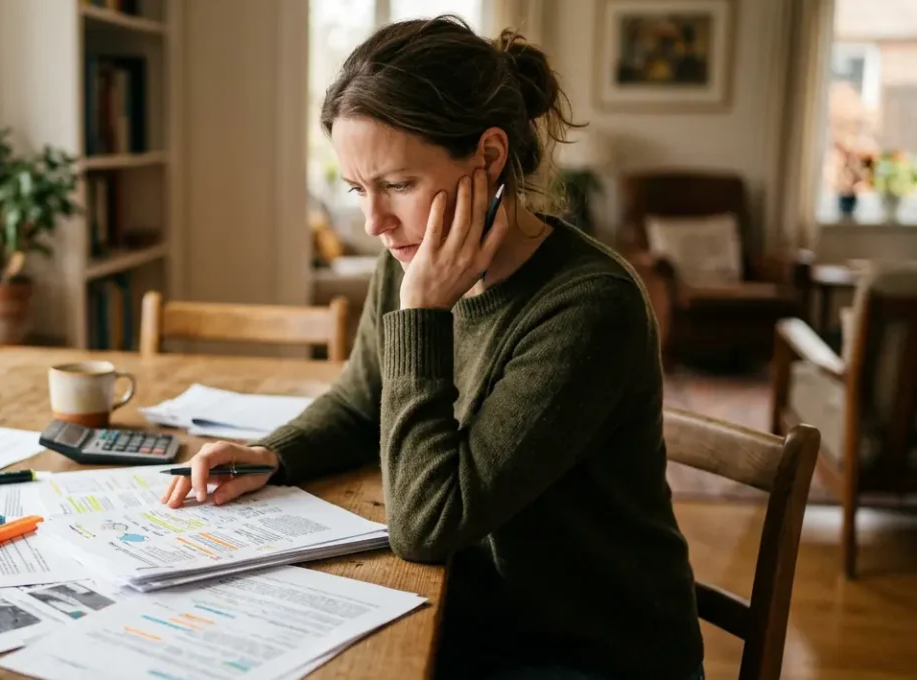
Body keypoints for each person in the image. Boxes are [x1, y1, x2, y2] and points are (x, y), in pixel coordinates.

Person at [160, 15, 704, 680]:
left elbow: (428, 525)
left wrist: (422, 313)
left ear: (489, 157)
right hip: (471, 614)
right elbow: (366, 398)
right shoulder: (411, 253)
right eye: (359, 190)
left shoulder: (589, 306)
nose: (373, 222)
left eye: (396, 184)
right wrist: (276, 453)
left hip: (580, 650)